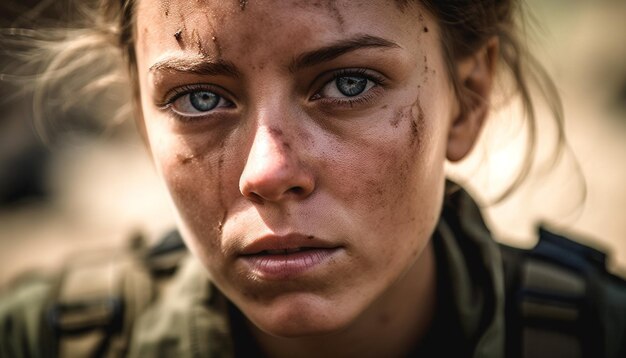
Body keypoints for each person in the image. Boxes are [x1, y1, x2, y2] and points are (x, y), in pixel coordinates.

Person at [0, 0, 625, 357]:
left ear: (470, 98)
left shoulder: (601, 335)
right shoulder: (41, 340)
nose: (268, 172)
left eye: (348, 84)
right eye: (197, 99)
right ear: (141, 122)